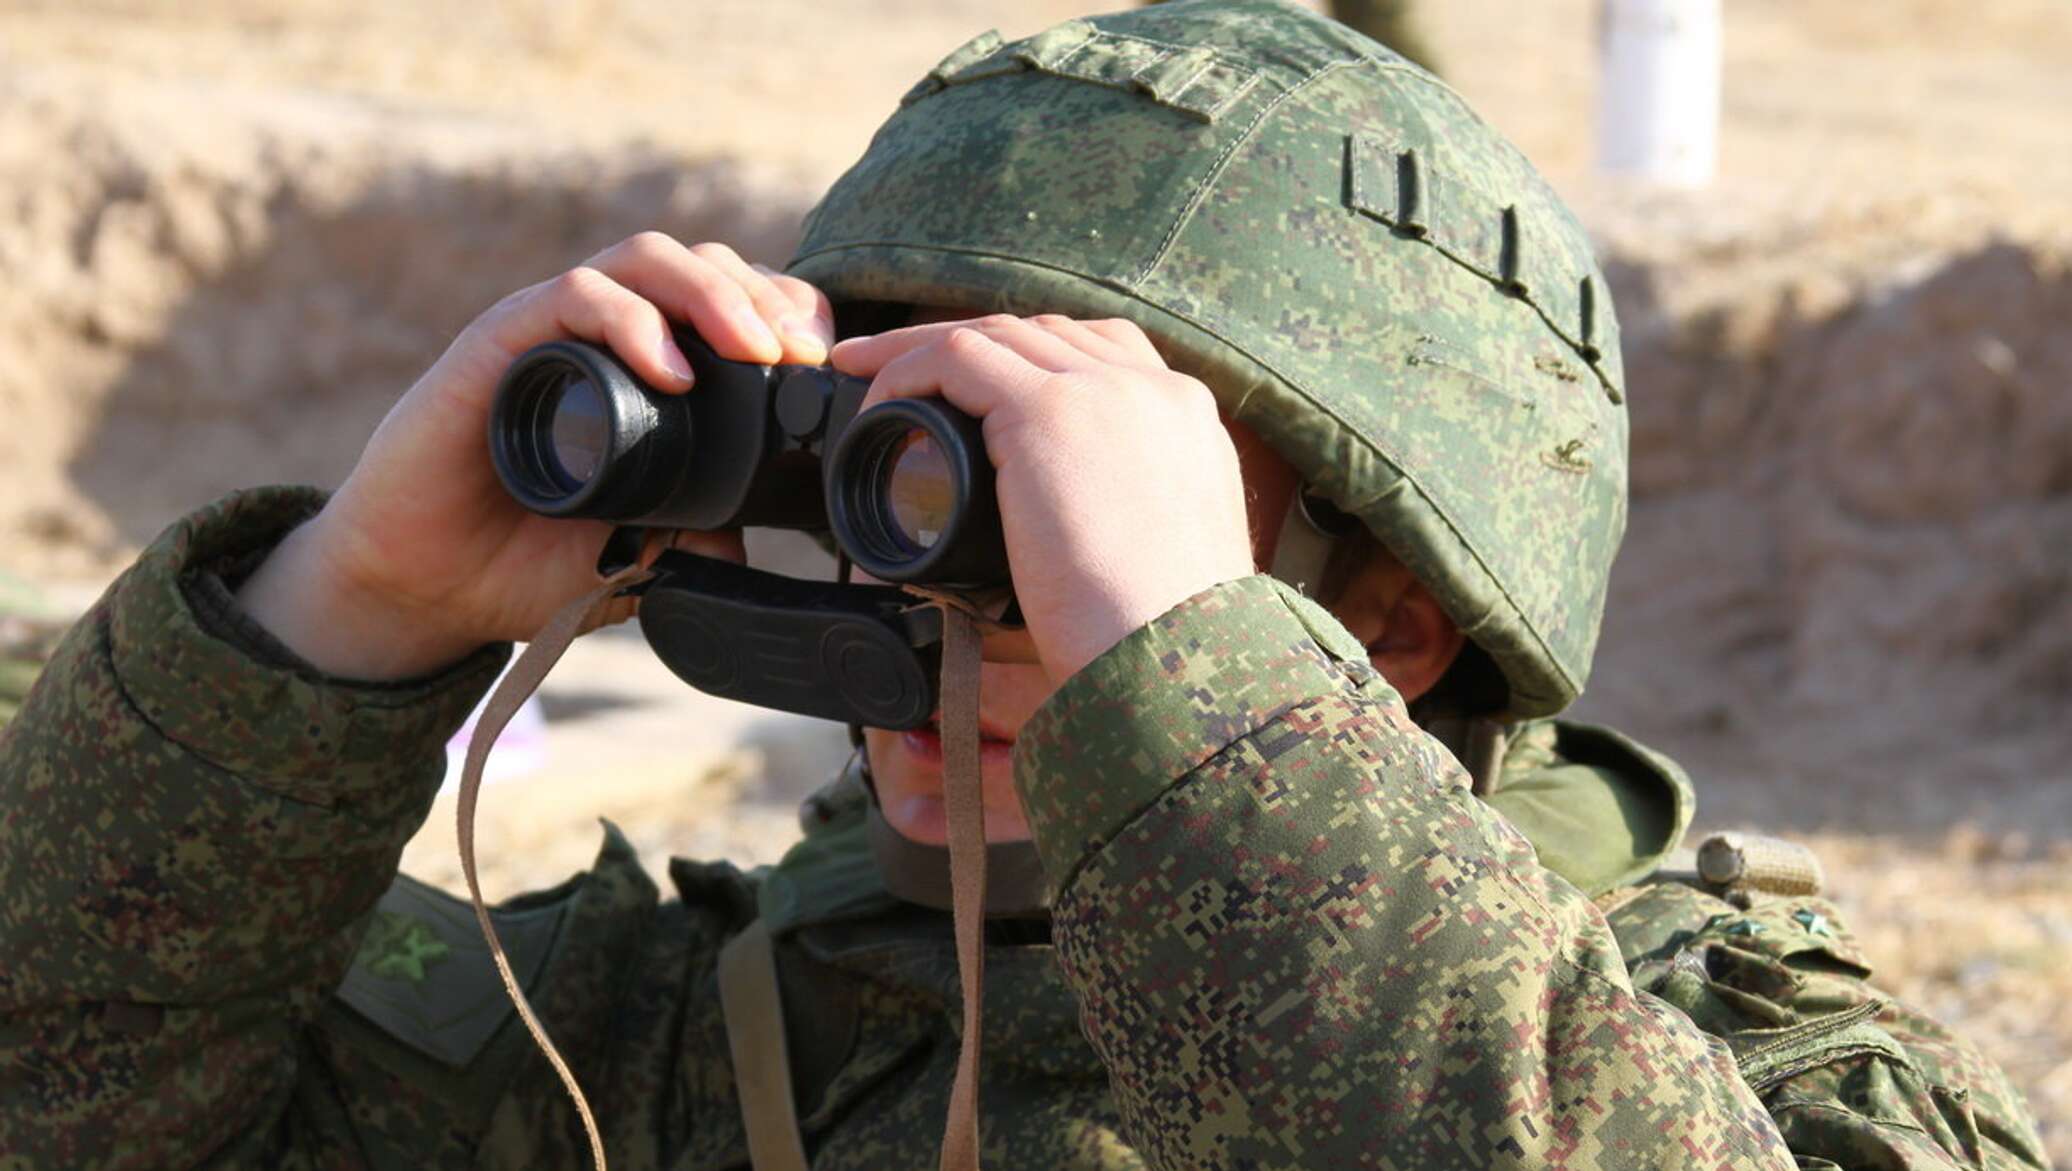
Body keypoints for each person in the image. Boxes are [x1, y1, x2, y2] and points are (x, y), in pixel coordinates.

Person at [0, 3, 2047, 1168]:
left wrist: (1191, 697)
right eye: (891, 478)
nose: (925, 643)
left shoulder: (1731, 1082)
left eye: (1035, 522)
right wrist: (339, 610)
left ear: (1390, 628)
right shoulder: (686, 1035)